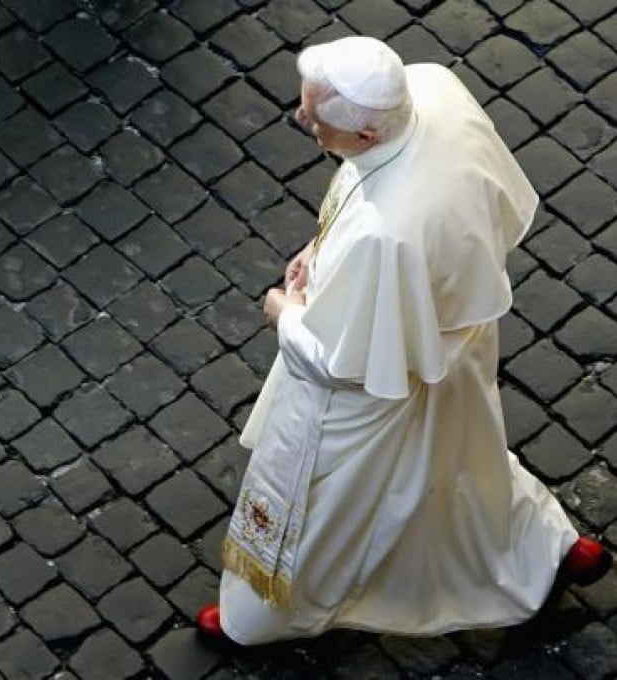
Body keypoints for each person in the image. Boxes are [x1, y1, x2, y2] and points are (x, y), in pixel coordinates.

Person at [196, 36, 610, 645]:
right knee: (466, 457)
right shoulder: (431, 87)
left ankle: (264, 618)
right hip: (457, 336)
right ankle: (542, 549)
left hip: (380, 380)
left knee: (329, 503)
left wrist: (283, 311)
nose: (300, 118)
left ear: (364, 137)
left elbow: (338, 366)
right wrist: (321, 251)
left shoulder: (383, 240)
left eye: (314, 117)